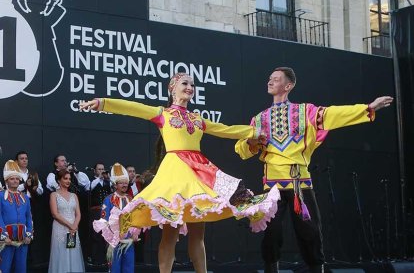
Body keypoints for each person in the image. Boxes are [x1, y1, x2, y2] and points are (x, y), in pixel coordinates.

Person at [80, 72, 280, 273]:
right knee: (170, 234)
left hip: (198, 175)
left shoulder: (197, 119)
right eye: (185, 83)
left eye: (193, 85)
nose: (190, 87)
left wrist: (253, 132)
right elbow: (132, 108)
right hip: (175, 175)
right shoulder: (163, 113)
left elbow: (225, 129)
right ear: (172, 88)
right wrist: (102, 103)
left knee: (198, 234)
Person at [234, 67, 394, 273]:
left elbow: (332, 115)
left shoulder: (305, 111)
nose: (270, 81)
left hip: (299, 181)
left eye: (275, 79)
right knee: (271, 233)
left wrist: (367, 107)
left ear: (288, 86)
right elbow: (242, 150)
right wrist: (252, 141)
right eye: (269, 79)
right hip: (272, 183)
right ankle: (270, 270)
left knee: (309, 231)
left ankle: (317, 269)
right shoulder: (259, 119)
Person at [94, 163, 136, 273]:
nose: (124, 185)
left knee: (129, 269)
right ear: (115, 184)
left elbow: (135, 219)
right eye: (121, 183)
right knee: (115, 269)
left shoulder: (131, 199)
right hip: (114, 242)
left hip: (128, 241)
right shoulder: (108, 200)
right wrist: (112, 239)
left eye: (126, 183)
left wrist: (135, 233)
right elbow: (104, 221)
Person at [48, 170, 85, 273]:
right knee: (61, 252)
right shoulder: (54, 195)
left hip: (73, 229)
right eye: (65, 178)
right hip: (60, 227)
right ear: (59, 180)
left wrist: (75, 225)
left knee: (72, 251)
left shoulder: (74, 195)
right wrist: (70, 225)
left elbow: (78, 214)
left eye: (69, 179)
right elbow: (55, 214)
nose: (68, 181)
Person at [0, 160, 33, 273]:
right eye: (12, 178)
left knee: (21, 268)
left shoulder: (25, 197)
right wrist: (4, 236)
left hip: (23, 239)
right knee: (4, 268)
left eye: (17, 178)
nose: (15, 181)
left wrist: (29, 234)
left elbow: (29, 217)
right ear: (6, 180)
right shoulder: (0, 196)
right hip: (6, 240)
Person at [89, 163, 112, 265]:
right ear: (95, 171)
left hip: (107, 211)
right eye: (99, 169)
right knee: (96, 234)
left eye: (103, 169)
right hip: (96, 210)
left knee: (106, 234)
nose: (102, 171)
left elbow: (114, 186)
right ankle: (95, 259)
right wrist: (99, 177)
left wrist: (109, 178)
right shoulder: (93, 181)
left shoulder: (107, 182)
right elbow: (91, 186)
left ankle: (105, 259)